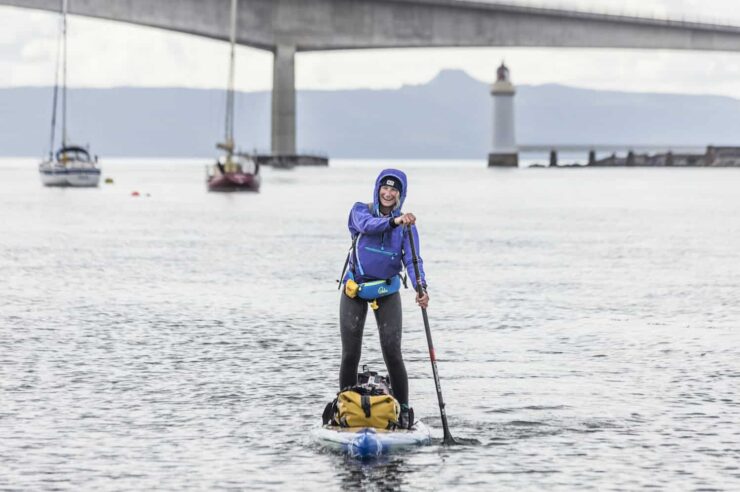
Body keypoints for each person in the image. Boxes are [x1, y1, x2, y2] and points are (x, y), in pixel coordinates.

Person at [339, 168, 429, 429]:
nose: (388, 193)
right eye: (385, 188)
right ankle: (345, 406)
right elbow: (368, 226)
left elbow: (413, 261)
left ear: (401, 195)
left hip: (387, 292)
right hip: (355, 290)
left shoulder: (407, 228)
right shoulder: (360, 211)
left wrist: (421, 288)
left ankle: (403, 411)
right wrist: (395, 221)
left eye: (394, 190)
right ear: (378, 189)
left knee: (392, 352)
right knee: (350, 354)